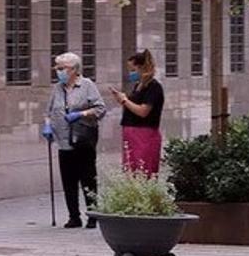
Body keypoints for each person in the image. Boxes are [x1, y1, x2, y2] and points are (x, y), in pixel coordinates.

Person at [43, 52, 106, 228]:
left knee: (88, 178)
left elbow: (100, 108)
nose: (58, 71)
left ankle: (93, 215)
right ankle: (73, 216)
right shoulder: (57, 88)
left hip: (84, 139)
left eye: (61, 68)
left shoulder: (87, 85)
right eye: (57, 68)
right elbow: (48, 111)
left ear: (73, 69)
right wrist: (47, 126)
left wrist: (81, 114)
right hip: (63, 140)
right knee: (68, 179)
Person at [109, 49, 165, 175]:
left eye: (133, 70)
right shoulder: (137, 86)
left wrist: (124, 101)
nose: (131, 73)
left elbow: (143, 111)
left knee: (143, 170)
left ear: (142, 69)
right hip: (131, 132)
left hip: (144, 133)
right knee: (131, 169)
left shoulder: (153, 87)